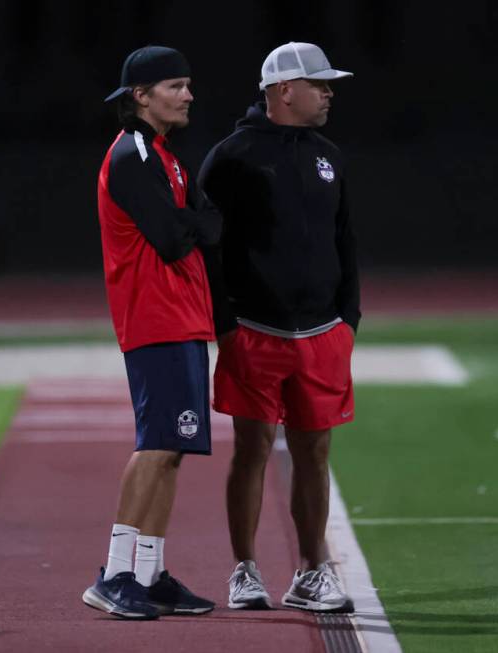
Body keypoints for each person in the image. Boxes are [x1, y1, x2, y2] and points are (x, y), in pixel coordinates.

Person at [199, 42, 360, 613]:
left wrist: (349, 319)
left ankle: (311, 571)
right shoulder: (232, 157)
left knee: (315, 454)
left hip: (322, 332)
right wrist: (223, 323)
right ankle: (244, 570)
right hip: (255, 328)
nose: (329, 92)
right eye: (319, 83)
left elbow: (345, 241)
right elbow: (208, 250)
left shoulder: (329, 156)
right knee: (253, 448)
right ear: (284, 90)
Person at [81, 45, 221, 620]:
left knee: (174, 449)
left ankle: (149, 571)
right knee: (157, 443)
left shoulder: (166, 156)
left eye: (187, 85)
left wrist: (197, 222)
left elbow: (202, 224)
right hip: (154, 317)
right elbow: (174, 235)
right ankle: (114, 573)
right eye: (176, 86)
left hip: (181, 316)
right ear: (140, 95)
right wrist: (197, 223)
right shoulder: (133, 153)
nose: (188, 95)